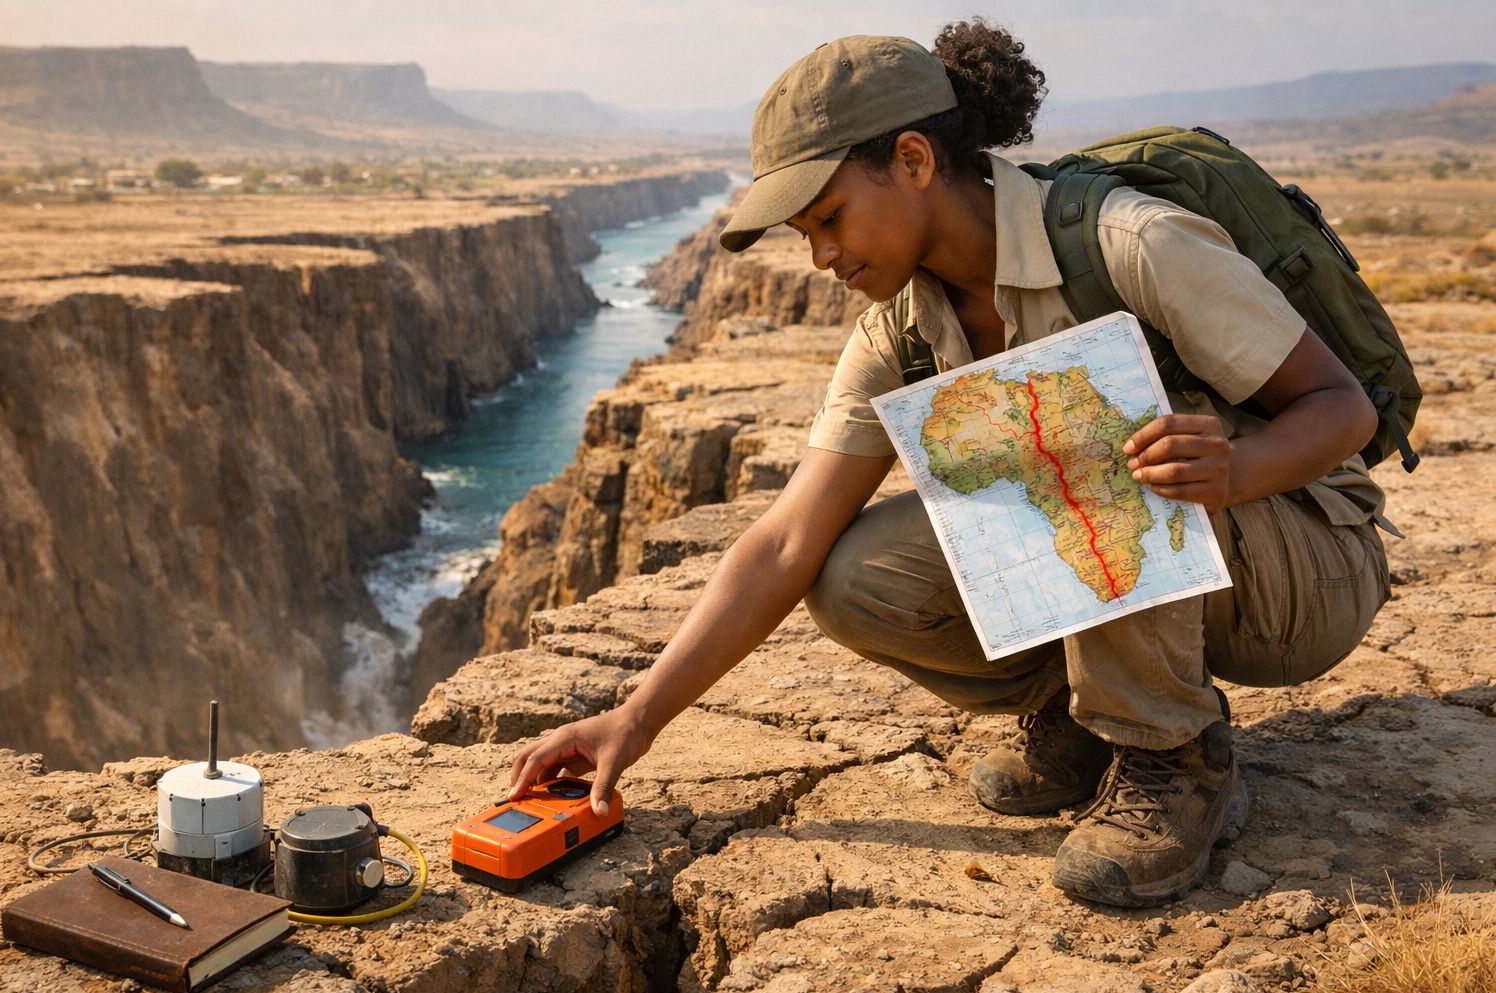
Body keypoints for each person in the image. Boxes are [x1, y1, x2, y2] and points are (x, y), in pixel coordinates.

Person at [509, 20, 1392, 907]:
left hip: (1301, 567)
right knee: (852, 575)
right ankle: (1098, 719)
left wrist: (1239, 467)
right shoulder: (899, 327)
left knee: (1075, 431)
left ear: (914, 160)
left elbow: (1342, 407)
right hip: (1165, 552)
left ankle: (1174, 757)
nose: (821, 256)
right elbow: (787, 542)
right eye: (801, 234)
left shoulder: (1131, 241)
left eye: (829, 217)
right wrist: (636, 716)